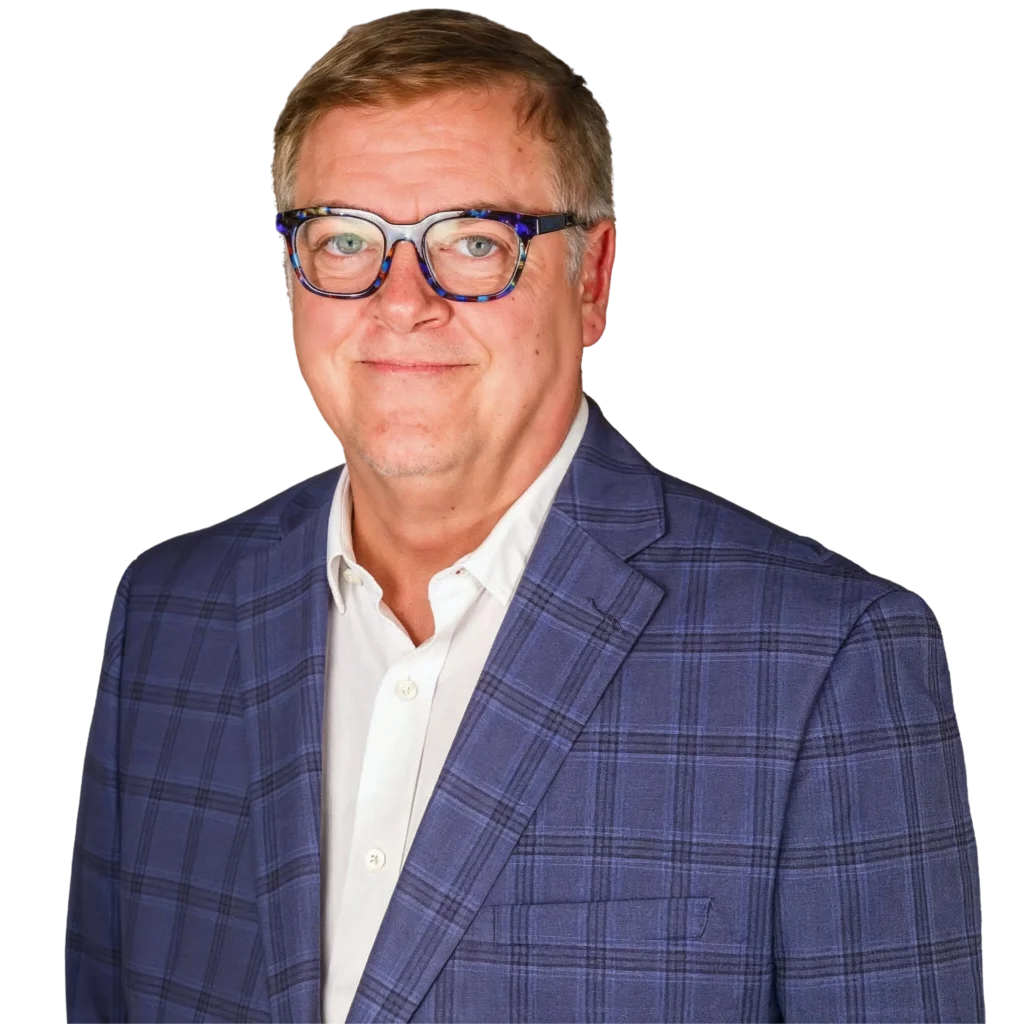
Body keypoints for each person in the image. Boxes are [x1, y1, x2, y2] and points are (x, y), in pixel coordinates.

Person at [65, 9, 983, 1022]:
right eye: (344, 240)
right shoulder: (169, 615)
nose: (399, 300)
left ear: (591, 280)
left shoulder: (828, 659)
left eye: (472, 240)